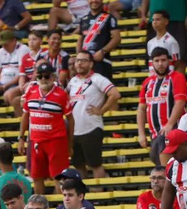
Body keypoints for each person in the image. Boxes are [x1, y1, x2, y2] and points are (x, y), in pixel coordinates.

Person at [18, 63, 73, 195]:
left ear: (53, 77)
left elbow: (70, 119)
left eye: (46, 76)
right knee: (36, 175)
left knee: (58, 176)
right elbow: (25, 116)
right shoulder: (31, 92)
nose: (43, 79)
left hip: (55, 140)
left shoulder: (61, 94)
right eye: (40, 76)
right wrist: (21, 138)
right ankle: (40, 205)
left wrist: (70, 143)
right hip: (36, 139)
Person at [67, 51, 118, 180]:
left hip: (91, 128)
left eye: (83, 60)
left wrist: (101, 110)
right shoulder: (73, 81)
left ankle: (98, 196)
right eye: (77, 60)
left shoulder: (98, 79)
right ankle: (81, 194)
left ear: (90, 64)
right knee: (78, 165)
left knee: (95, 164)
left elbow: (115, 94)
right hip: (74, 130)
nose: (79, 63)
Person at [137, 48, 187, 165]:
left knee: (167, 169)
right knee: (160, 168)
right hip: (154, 133)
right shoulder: (147, 82)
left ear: (169, 61)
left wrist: (169, 124)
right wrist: (141, 133)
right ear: (152, 63)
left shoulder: (177, 77)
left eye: (163, 60)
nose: (160, 64)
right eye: (157, 60)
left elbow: (180, 102)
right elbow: (141, 108)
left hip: (173, 130)